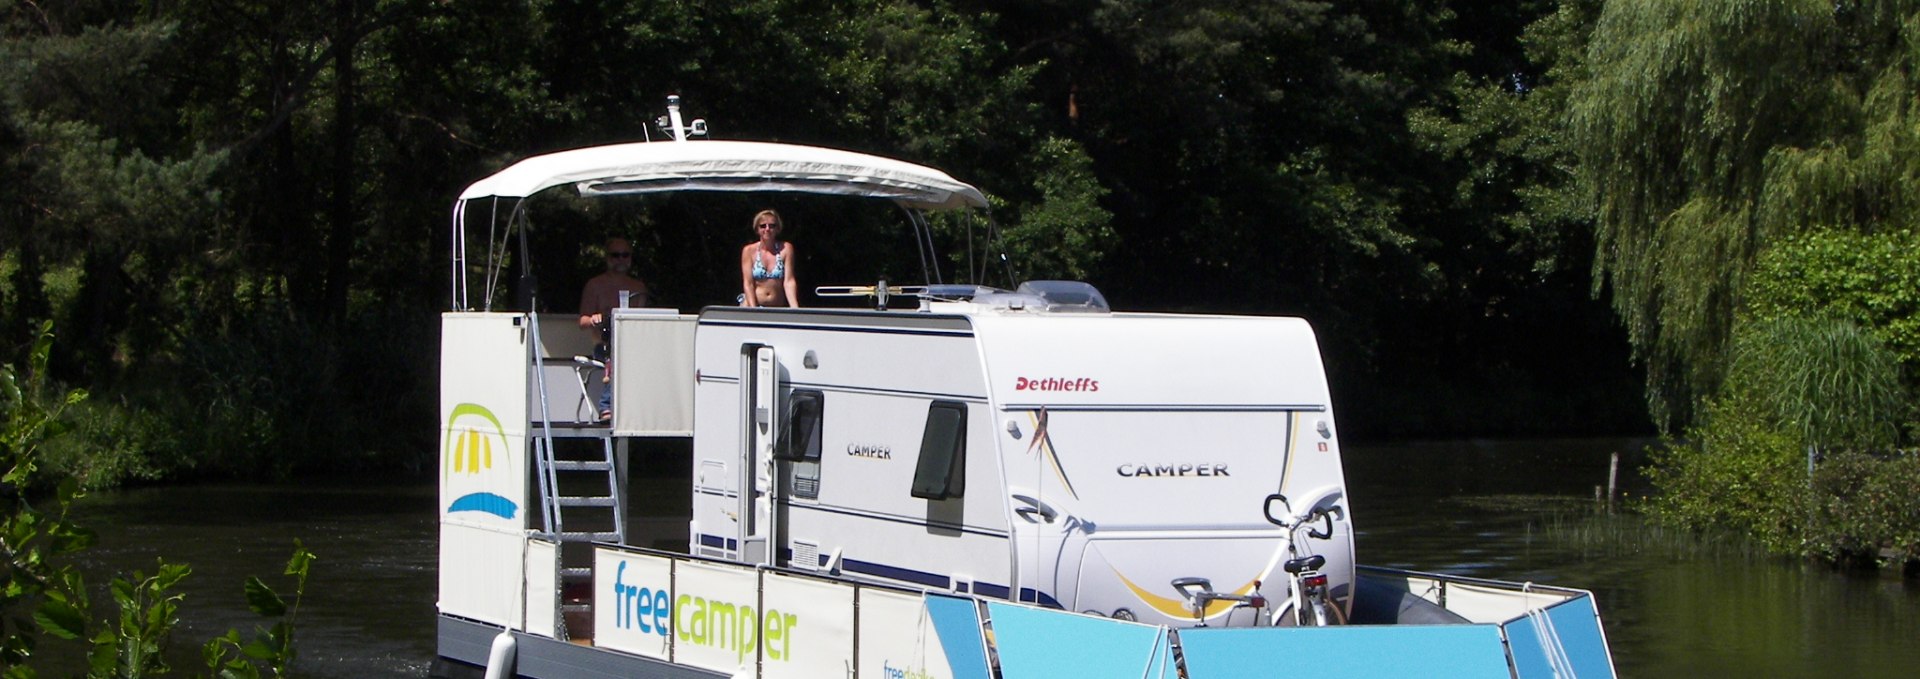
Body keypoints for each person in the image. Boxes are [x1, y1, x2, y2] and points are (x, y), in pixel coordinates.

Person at [579, 237, 649, 421]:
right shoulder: (595, 285)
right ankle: (605, 406)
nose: (620, 259)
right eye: (615, 255)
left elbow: (642, 322)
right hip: (603, 346)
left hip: (632, 345)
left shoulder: (638, 287)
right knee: (617, 356)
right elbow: (582, 321)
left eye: (625, 255)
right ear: (608, 258)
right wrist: (594, 319)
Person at [739, 209, 799, 307]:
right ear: (757, 229)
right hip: (753, 304)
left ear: (777, 229)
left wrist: (795, 308)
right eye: (763, 226)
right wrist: (753, 309)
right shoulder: (748, 251)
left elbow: (789, 281)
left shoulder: (786, 249)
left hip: (776, 306)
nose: (767, 229)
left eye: (772, 226)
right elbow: (748, 283)